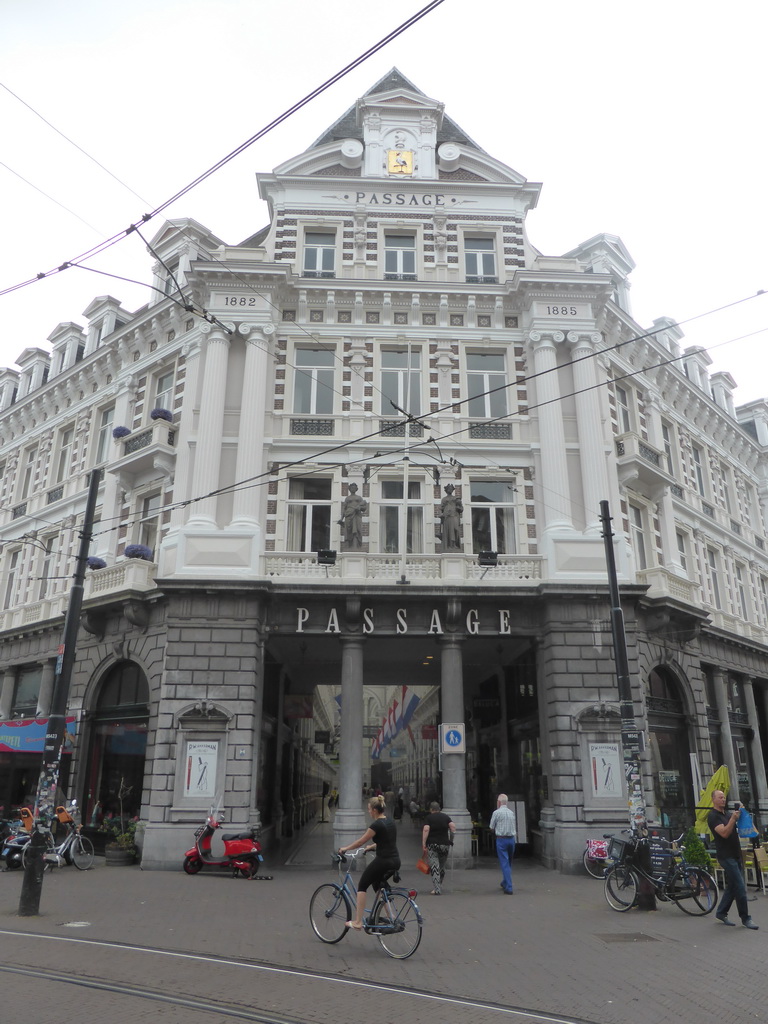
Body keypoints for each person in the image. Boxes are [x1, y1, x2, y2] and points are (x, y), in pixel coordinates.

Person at [338, 794, 400, 930]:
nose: (368, 811)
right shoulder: (390, 821)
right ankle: (392, 917)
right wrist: (371, 847)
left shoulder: (376, 825)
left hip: (384, 861)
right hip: (395, 860)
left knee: (362, 885)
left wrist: (345, 849)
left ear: (375, 810)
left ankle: (358, 922)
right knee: (378, 884)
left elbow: (360, 841)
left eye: (369, 809)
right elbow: (387, 842)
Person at [708, 789, 759, 929]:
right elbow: (724, 833)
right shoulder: (713, 817)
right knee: (740, 886)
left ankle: (721, 912)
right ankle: (746, 918)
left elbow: (744, 830)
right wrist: (732, 820)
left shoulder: (729, 814)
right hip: (726, 856)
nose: (723, 799)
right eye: (720, 797)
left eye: (724, 797)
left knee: (732, 886)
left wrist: (743, 816)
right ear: (713, 799)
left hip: (736, 854)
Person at [421, 800, 456, 895]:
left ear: (431, 809)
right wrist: (451, 840)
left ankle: (437, 889)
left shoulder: (429, 818)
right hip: (444, 845)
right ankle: (439, 885)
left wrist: (424, 843)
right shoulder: (445, 817)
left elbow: (426, 829)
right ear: (439, 809)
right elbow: (452, 827)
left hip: (432, 845)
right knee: (441, 866)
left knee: (434, 867)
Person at [490, 793, 517, 895]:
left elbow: (491, 827)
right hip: (511, 839)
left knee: (504, 863)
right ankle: (505, 882)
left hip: (501, 840)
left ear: (499, 802)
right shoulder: (511, 813)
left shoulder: (496, 813)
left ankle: (509, 887)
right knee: (509, 862)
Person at [337, 483, 367, 549]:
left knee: (357, 530)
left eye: (354, 487)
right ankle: (349, 547)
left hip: (357, 515)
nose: (353, 489)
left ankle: (356, 547)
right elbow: (344, 509)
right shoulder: (347, 498)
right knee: (348, 531)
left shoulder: (359, 498)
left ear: (356, 489)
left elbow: (364, 507)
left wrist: (359, 508)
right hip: (348, 515)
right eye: (351, 487)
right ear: (349, 489)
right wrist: (341, 519)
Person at [437, 483, 463, 550]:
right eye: (448, 489)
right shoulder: (444, 499)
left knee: (456, 529)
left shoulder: (456, 498)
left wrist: (458, 508)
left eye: (451, 489)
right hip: (447, 517)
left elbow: (461, 508)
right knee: (449, 531)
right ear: (446, 490)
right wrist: (441, 515)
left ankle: (455, 545)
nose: (450, 490)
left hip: (454, 516)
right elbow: (441, 508)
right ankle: (450, 546)